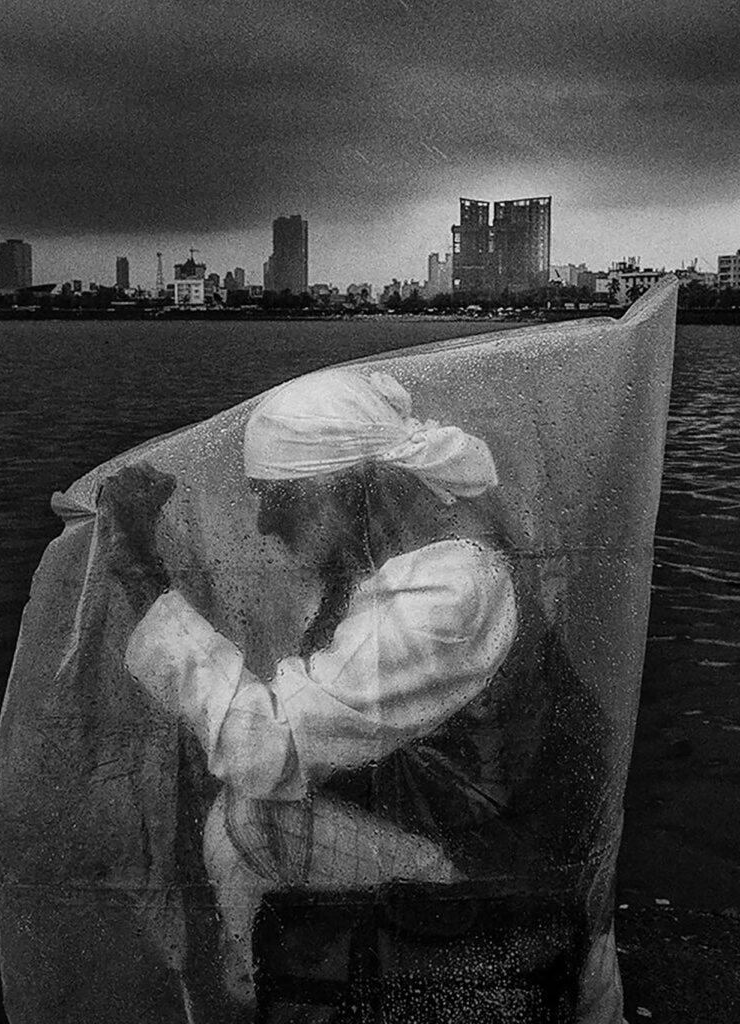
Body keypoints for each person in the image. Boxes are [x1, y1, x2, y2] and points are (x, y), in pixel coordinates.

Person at [117, 368, 520, 1008]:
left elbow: (268, 742)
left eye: (277, 497)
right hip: (451, 831)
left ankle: (255, 1000)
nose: (263, 524)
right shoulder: (400, 566)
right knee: (232, 791)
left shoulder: (448, 595)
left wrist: (142, 576)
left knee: (250, 815)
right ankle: (276, 983)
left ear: (350, 490)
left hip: (497, 876)